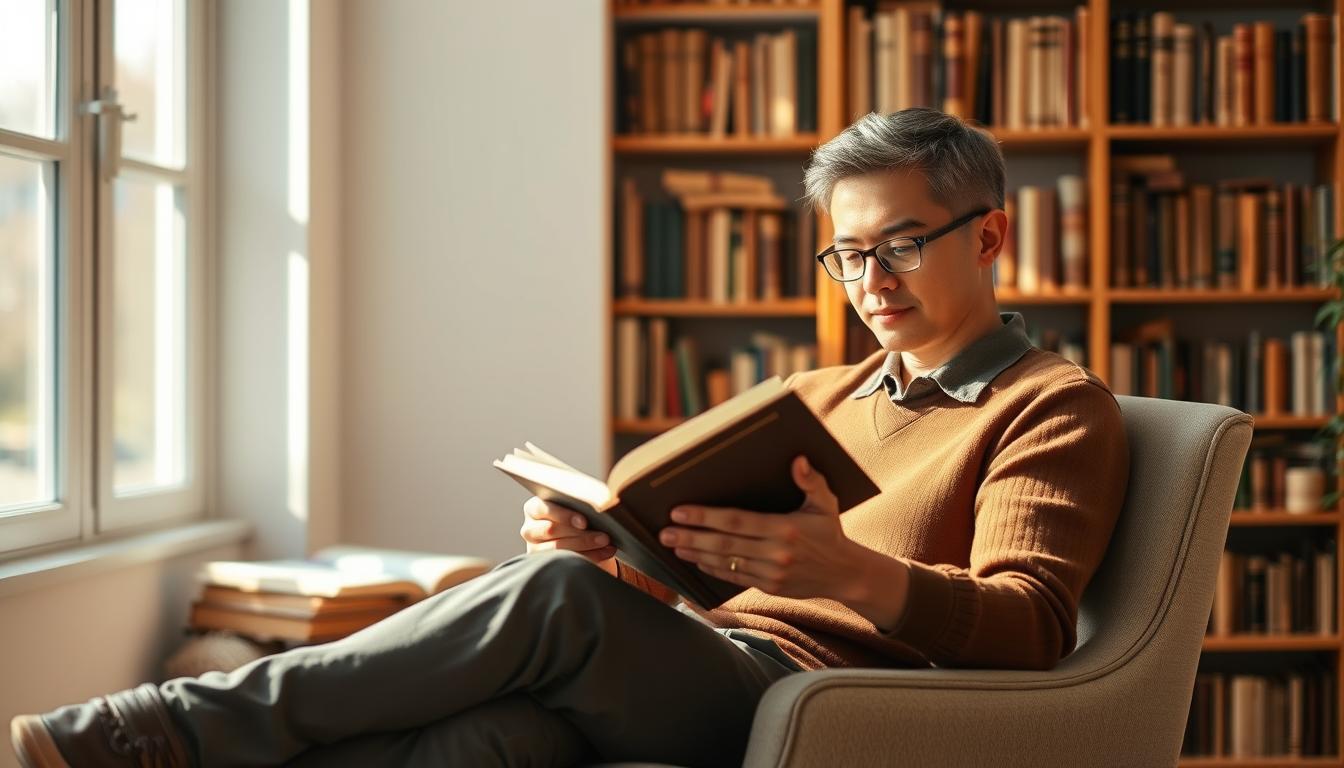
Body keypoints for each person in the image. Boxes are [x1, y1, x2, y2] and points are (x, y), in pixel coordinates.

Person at [9, 107, 1129, 768]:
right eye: (846, 254)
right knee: (486, 736)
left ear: (988, 237)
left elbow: (1031, 628)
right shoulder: (827, 391)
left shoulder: (1051, 405)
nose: (869, 281)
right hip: (714, 663)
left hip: (830, 704)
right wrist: (609, 539)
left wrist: (855, 574)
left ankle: (163, 731)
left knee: (548, 605)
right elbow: (665, 525)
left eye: (902, 244)